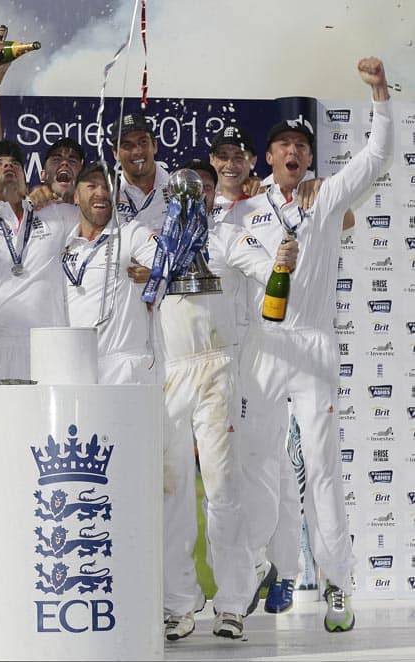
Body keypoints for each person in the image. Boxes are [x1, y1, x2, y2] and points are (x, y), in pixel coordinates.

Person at [226, 56, 393, 633]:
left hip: (314, 347)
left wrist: (378, 95)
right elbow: (227, 253)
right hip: (264, 349)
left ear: (310, 158)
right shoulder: (244, 210)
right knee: (257, 465)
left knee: (322, 468)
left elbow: (376, 158)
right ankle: (252, 573)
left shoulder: (325, 200)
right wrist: (264, 256)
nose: (294, 152)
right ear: (268, 157)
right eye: (284, 146)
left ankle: (338, 587)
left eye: (302, 145)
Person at [150, 159, 299, 641]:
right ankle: (177, 603)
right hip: (169, 371)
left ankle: (233, 602)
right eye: (181, 195)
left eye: (201, 193)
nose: (191, 202)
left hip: (218, 366)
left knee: (223, 487)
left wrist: (280, 263)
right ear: (168, 198)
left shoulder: (226, 238)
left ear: (213, 197)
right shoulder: (154, 239)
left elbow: (265, 265)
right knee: (171, 490)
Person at [0, 41, 76, 384]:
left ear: (27, 178)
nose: (8, 166)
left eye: (15, 164)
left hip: (53, 351)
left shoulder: (60, 216)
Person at [62, 161, 157, 384]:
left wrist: (155, 275)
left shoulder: (132, 233)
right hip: (77, 367)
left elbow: (170, 265)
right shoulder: (65, 243)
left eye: (108, 187)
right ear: (76, 196)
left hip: (126, 369)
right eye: (92, 186)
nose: (101, 193)